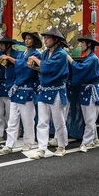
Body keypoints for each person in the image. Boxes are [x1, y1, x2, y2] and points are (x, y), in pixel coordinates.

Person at [0, 32, 42, 155]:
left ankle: (29, 142)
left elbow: (25, 67)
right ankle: (9, 144)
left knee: (27, 120)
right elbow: (17, 66)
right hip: (17, 89)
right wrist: (8, 64)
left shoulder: (36, 54)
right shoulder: (22, 54)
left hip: (27, 90)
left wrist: (10, 59)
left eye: (29, 39)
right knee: (12, 120)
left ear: (34, 41)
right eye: (26, 38)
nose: (26, 41)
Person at [28, 28, 70, 159]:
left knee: (58, 121)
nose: (45, 40)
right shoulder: (46, 53)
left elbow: (48, 67)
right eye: (45, 38)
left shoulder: (61, 54)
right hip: (44, 89)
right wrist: (35, 67)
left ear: (56, 40)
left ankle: (62, 146)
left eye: (48, 38)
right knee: (42, 121)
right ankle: (42, 148)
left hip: (56, 90)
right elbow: (44, 68)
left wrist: (35, 58)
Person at [70, 34, 99, 153]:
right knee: (89, 118)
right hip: (87, 90)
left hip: (91, 91)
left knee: (90, 119)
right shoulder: (89, 57)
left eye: (83, 43)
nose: (81, 45)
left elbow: (81, 69)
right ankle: (94, 138)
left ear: (89, 44)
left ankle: (86, 142)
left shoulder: (93, 59)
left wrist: (71, 61)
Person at [0, 35, 19, 142]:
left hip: (11, 86)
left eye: (2, 44)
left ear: (9, 45)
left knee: (10, 113)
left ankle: (12, 133)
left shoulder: (16, 55)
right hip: (0, 86)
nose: (0, 46)